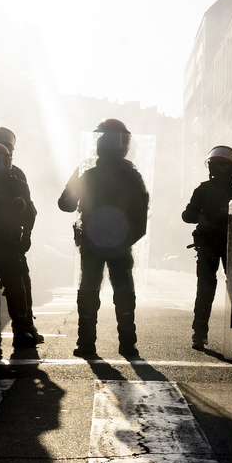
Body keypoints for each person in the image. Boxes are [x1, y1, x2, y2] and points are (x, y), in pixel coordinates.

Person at [58, 119, 149, 358]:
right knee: (123, 292)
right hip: (118, 243)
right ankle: (127, 344)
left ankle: (87, 343)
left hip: (93, 242)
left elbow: (65, 204)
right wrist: (127, 239)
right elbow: (141, 214)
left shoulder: (88, 172)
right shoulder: (131, 175)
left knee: (90, 290)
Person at [0, 126, 42, 343]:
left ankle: (24, 326)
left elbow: (29, 209)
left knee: (19, 283)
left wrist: (25, 235)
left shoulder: (16, 178)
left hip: (8, 241)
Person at [182, 145, 232, 350]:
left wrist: (231, 213)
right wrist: (201, 217)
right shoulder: (203, 189)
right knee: (205, 289)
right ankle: (199, 332)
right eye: (217, 167)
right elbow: (186, 215)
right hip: (209, 243)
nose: (220, 171)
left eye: (224, 167)